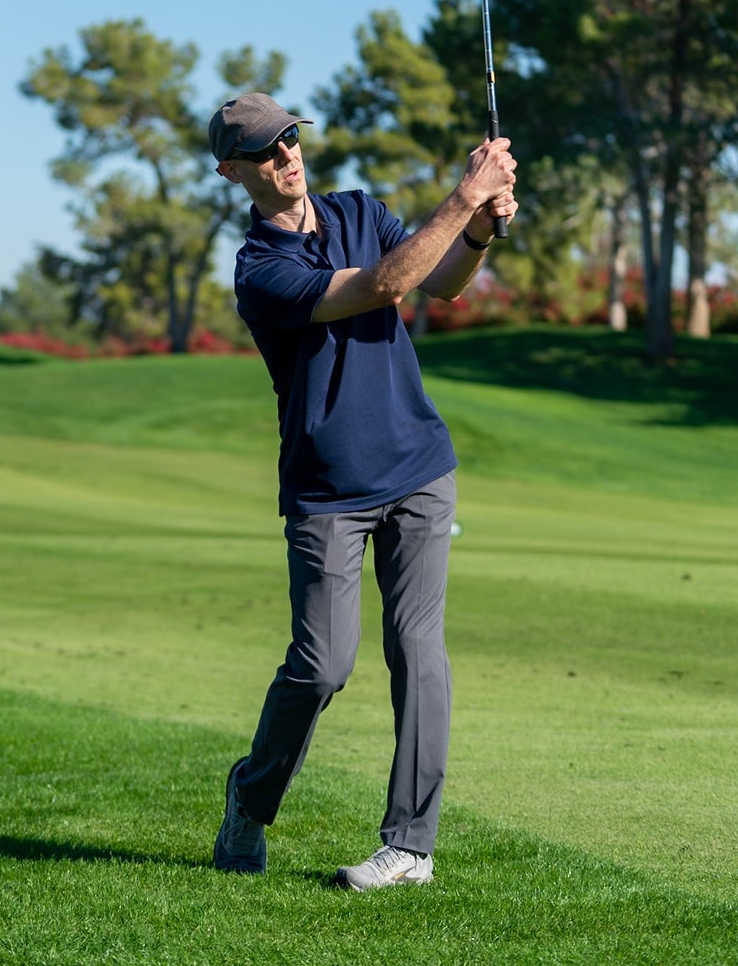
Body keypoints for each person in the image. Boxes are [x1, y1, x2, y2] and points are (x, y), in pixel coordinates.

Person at [207, 92, 516, 889]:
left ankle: (410, 845)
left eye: (290, 137)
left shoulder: (359, 211)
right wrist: (467, 193)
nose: (287, 154)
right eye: (266, 149)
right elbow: (385, 284)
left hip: (418, 467)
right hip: (327, 489)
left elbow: (441, 282)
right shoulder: (260, 270)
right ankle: (251, 795)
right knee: (322, 664)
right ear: (233, 171)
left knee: (418, 649)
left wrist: (479, 229)